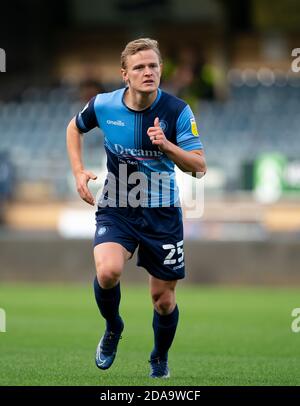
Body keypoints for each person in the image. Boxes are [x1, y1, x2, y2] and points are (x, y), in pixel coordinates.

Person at [66, 38, 206, 378]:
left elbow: (198, 166)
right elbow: (74, 128)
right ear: (124, 74)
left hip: (162, 212)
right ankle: (113, 327)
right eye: (140, 67)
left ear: (160, 70)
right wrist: (78, 170)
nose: (148, 72)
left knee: (163, 301)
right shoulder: (103, 105)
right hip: (119, 205)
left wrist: (168, 146)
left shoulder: (177, 111)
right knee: (108, 271)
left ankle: (159, 356)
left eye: (153, 66)